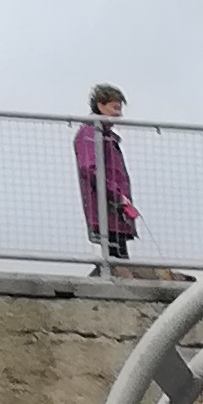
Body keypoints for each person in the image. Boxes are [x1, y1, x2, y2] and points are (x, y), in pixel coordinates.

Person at [74, 82, 138, 269]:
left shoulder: (106, 135)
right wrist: (116, 195)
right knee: (116, 259)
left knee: (117, 257)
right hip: (107, 208)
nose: (118, 114)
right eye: (115, 108)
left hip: (114, 209)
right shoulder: (90, 133)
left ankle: (112, 276)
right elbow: (89, 168)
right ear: (100, 105)